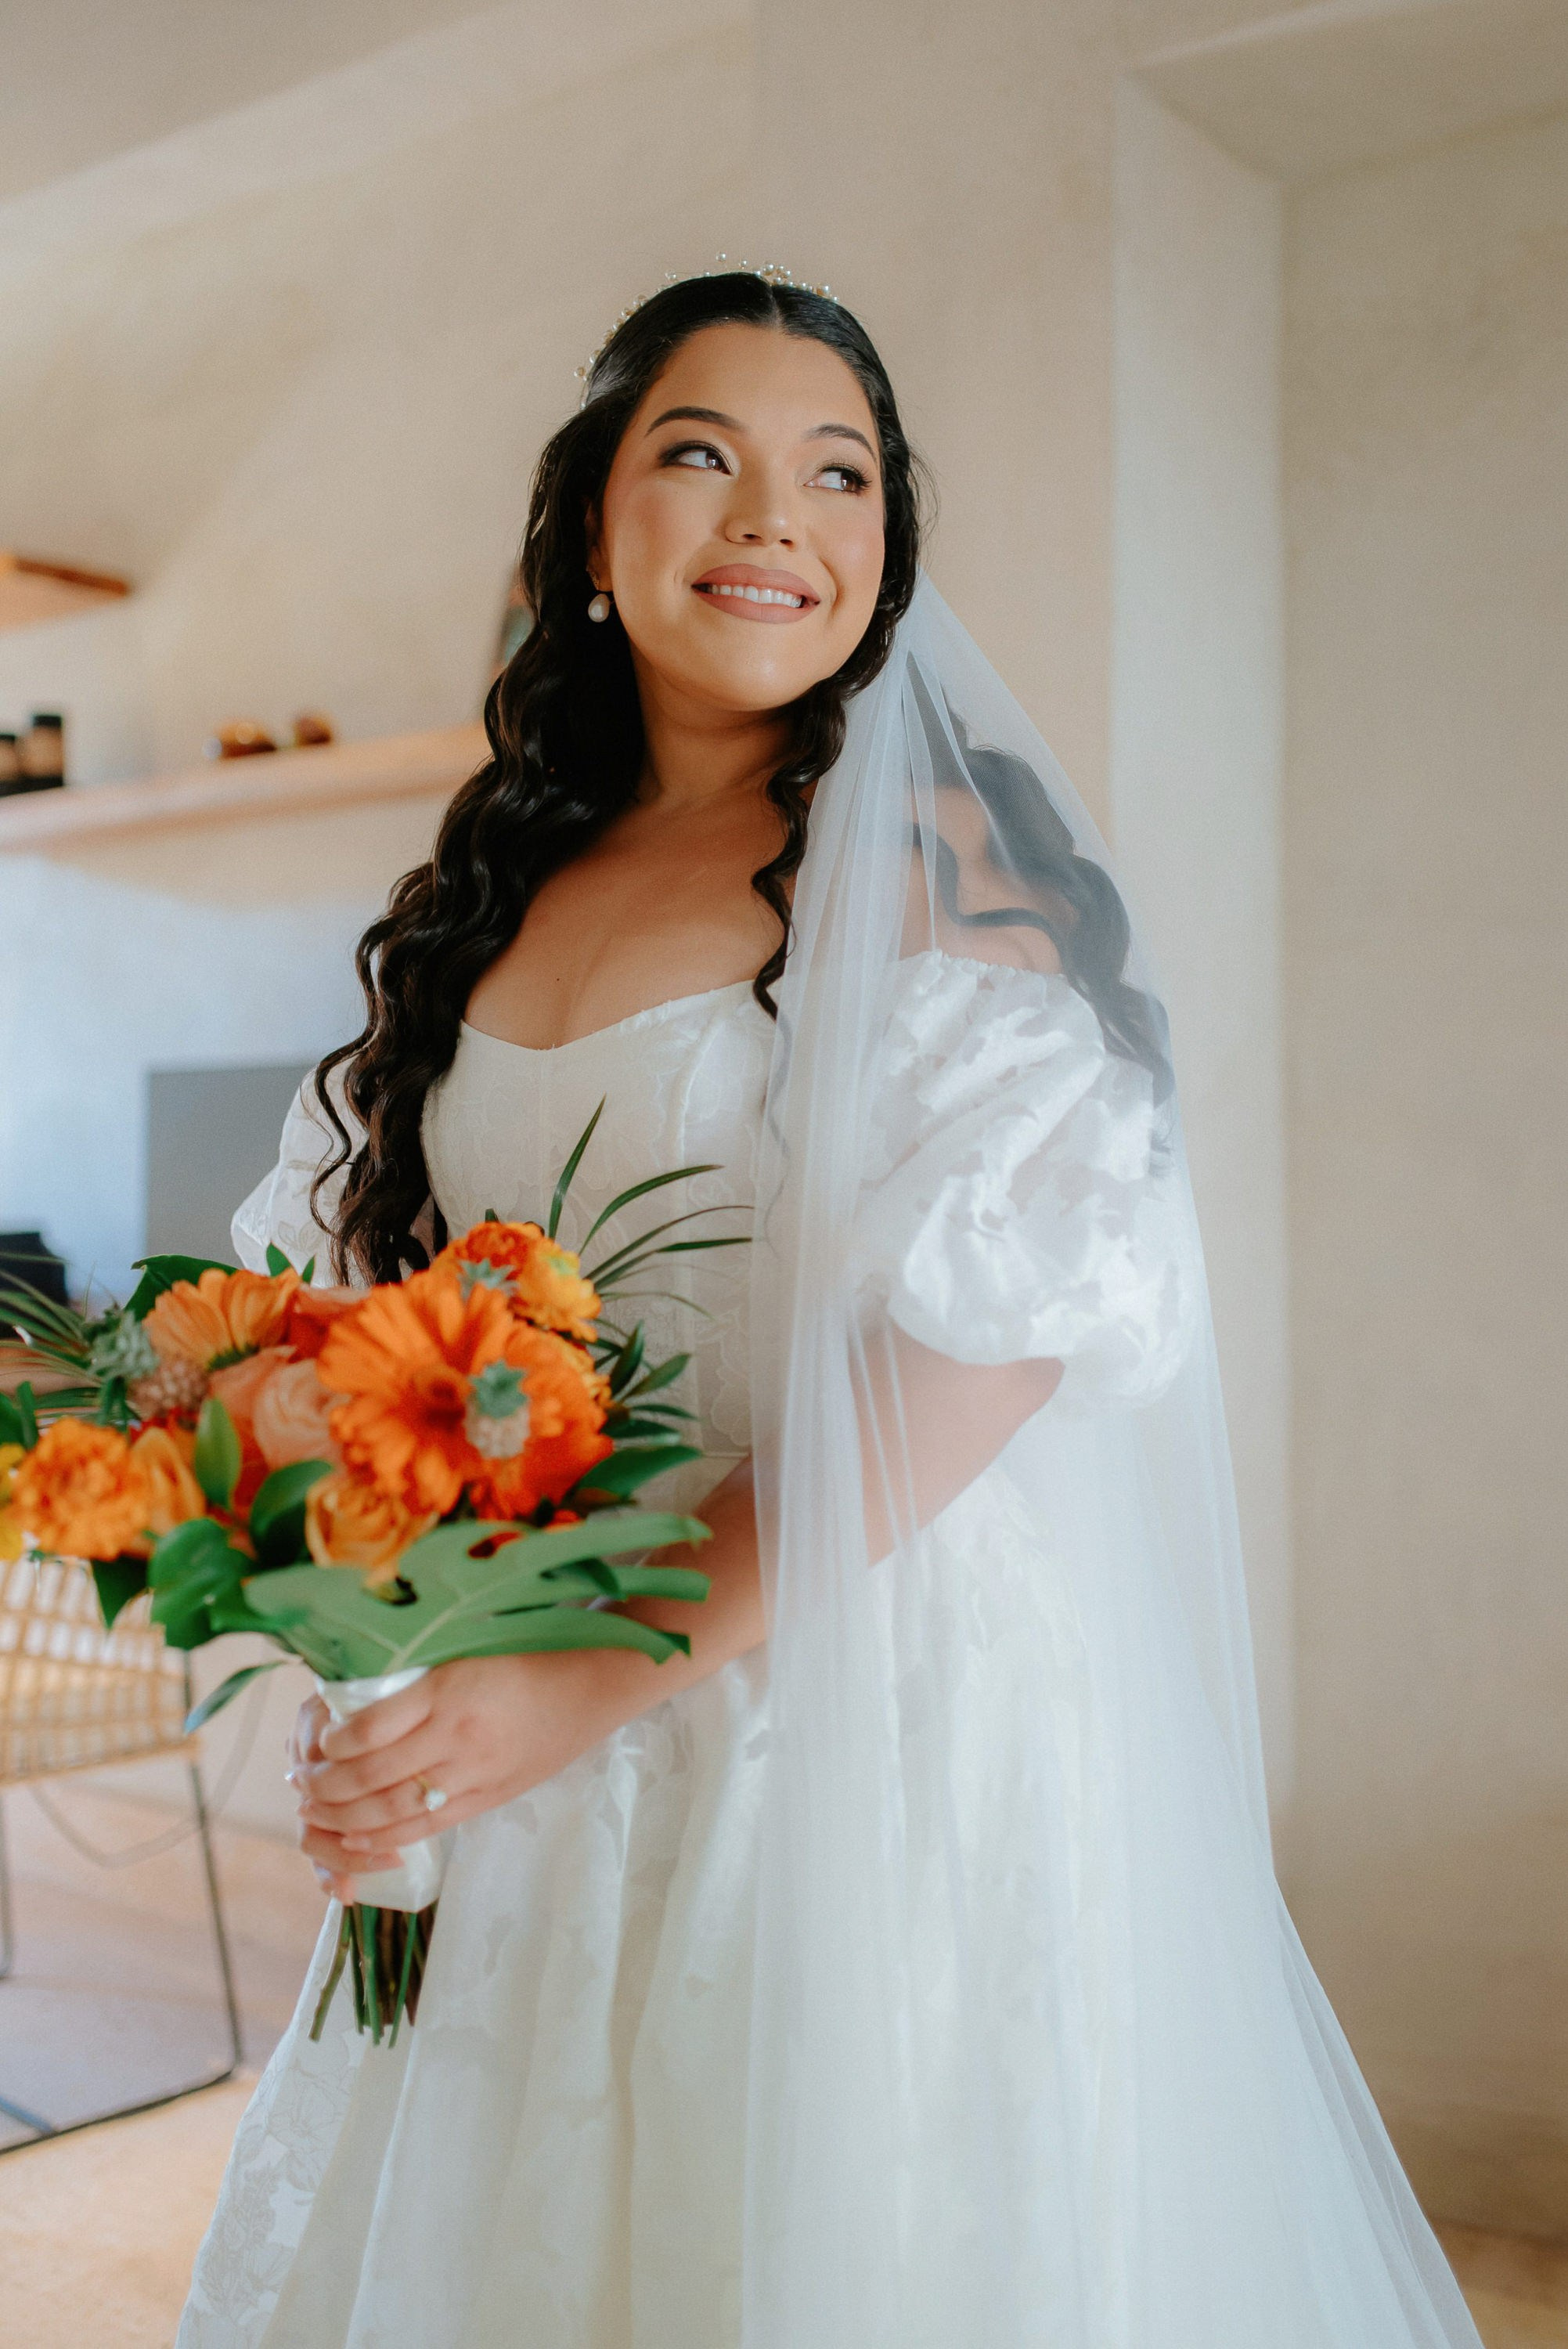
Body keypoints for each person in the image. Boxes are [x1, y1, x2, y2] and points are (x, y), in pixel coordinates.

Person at [178, 269, 1480, 2348]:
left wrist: (575, 1685)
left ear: (881, 552)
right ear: (587, 537)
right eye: (698, 455)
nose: (772, 517)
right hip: (538, 1710)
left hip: (845, 1706)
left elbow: (987, 1339)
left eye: (836, 473)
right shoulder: (492, 894)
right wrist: (371, 1618)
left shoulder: (940, 861)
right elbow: (339, 1320)